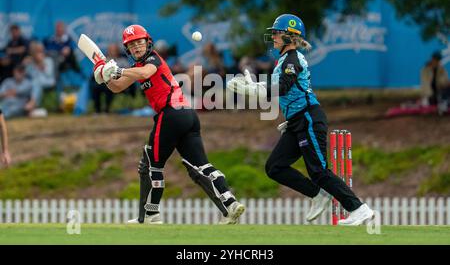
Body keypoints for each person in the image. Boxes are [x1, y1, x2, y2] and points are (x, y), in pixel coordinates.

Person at [228, 14, 374, 226]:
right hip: (297, 122)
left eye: (277, 33)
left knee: (319, 171)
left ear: (290, 37)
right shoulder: (284, 61)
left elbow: (282, 88)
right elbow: (280, 88)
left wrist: (253, 91)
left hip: (308, 119)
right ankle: (317, 195)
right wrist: (254, 87)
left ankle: (359, 209)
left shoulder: (292, 60)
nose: (274, 37)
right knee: (275, 167)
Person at [93, 24, 245, 224]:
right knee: (198, 166)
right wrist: (102, 73)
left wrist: (117, 70)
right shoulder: (135, 68)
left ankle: (149, 215)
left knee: (150, 166)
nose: (137, 47)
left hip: (171, 114)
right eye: (132, 45)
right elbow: (117, 87)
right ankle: (230, 205)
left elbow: (145, 73)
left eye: (139, 42)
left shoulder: (152, 58)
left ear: (148, 43)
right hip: (187, 115)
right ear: (127, 49)